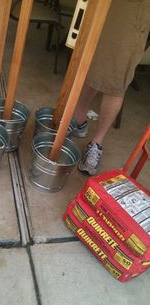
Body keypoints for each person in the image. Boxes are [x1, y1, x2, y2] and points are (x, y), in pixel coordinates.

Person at [70, 0, 150, 176]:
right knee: (89, 64)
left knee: (115, 78)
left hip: (132, 9)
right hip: (99, 5)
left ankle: (96, 143)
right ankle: (78, 121)